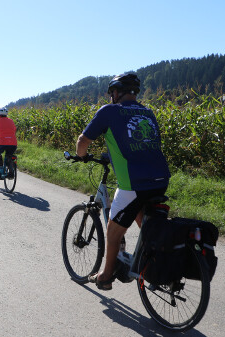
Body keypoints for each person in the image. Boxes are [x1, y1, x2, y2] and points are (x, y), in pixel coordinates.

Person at [76, 73, 171, 290]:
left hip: (133, 184)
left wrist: (81, 155)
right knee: (145, 223)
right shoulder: (147, 112)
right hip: (160, 179)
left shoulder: (109, 111)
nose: (111, 97)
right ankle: (157, 266)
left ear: (117, 92)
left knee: (113, 229)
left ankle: (105, 277)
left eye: (112, 93)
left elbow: (83, 140)